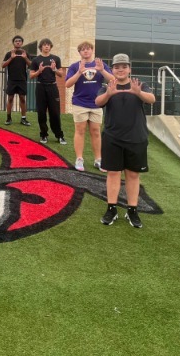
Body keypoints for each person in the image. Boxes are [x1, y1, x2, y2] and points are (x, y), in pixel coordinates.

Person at [95, 53, 155, 228]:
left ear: (129, 69)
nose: (120, 70)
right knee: (113, 174)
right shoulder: (108, 86)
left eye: (124, 67)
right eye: (117, 67)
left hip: (136, 138)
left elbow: (152, 99)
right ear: (112, 69)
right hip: (112, 138)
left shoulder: (139, 84)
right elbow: (98, 102)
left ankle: (132, 210)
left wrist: (139, 93)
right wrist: (108, 94)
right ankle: (111, 209)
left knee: (133, 174)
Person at [65, 41, 114, 171]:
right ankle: (79, 159)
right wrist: (79, 72)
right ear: (79, 52)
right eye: (83, 49)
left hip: (97, 103)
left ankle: (98, 159)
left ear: (92, 50)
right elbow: (67, 84)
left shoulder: (100, 64)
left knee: (96, 132)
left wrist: (102, 70)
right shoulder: (74, 66)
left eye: (88, 49)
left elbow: (113, 80)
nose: (86, 51)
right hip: (80, 103)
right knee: (80, 130)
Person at [30, 38, 66, 144]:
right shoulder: (36, 60)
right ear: (41, 46)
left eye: (48, 45)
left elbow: (61, 74)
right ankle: (43, 135)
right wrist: (39, 71)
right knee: (41, 112)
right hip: (40, 87)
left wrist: (54, 69)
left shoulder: (56, 59)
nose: (47, 46)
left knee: (55, 112)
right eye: (44, 44)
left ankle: (59, 135)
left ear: (50, 47)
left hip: (52, 87)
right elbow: (31, 75)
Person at [1, 35, 32, 126]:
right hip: (12, 80)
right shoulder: (9, 54)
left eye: (19, 41)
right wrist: (11, 58)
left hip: (22, 80)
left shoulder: (26, 53)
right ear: (13, 43)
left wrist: (25, 58)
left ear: (22, 43)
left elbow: (31, 65)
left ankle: (23, 119)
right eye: (16, 41)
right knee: (10, 98)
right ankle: (8, 118)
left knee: (22, 99)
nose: (18, 42)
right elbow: (3, 65)